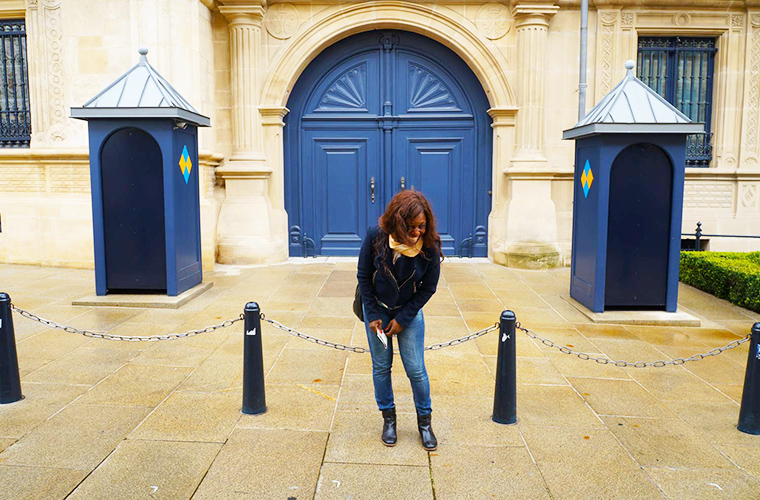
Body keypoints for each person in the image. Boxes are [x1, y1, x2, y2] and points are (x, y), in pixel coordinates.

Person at [357, 190, 443, 451]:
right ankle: (389, 420)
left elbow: (428, 288)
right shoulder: (376, 236)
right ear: (398, 222)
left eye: (422, 226)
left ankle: (425, 424)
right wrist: (373, 315)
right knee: (381, 368)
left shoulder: (429, 246)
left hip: (409, 311)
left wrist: (404, 319)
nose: (417, 232)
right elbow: (363, 276)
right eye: (411, 227)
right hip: (378, 313)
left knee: (416, 369)